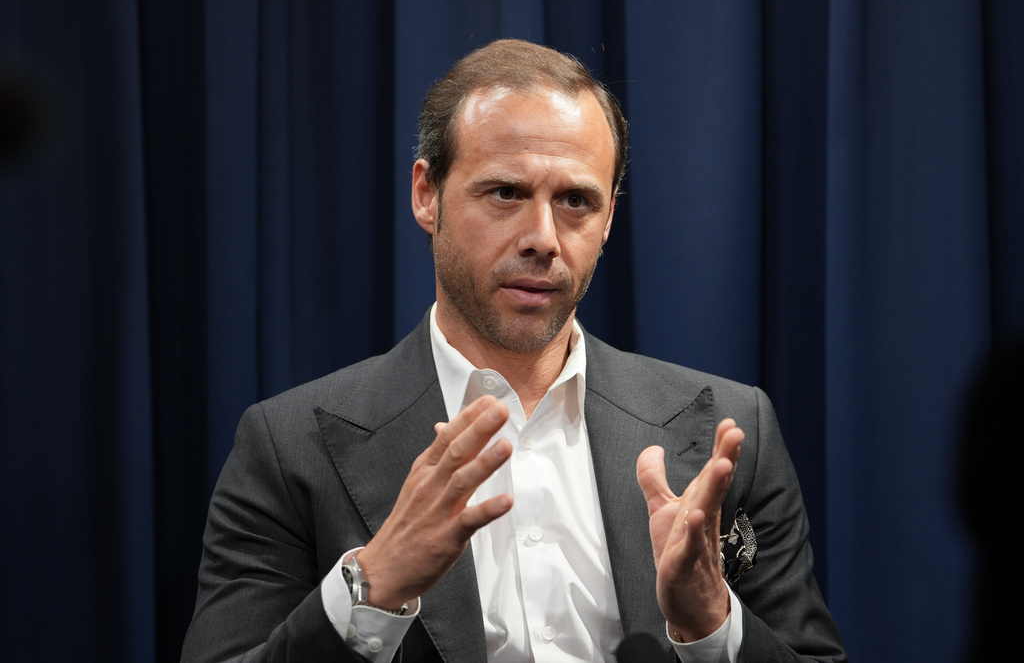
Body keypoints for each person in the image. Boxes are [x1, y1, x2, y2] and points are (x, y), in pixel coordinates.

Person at [180, 38, 846, 663]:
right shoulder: (289, 446)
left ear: (610, 217)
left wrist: (712, 626)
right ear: (426, 194)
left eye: (576, 201)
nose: (543, 237)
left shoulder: (735, 427)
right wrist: (371, 585)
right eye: (506, 192)